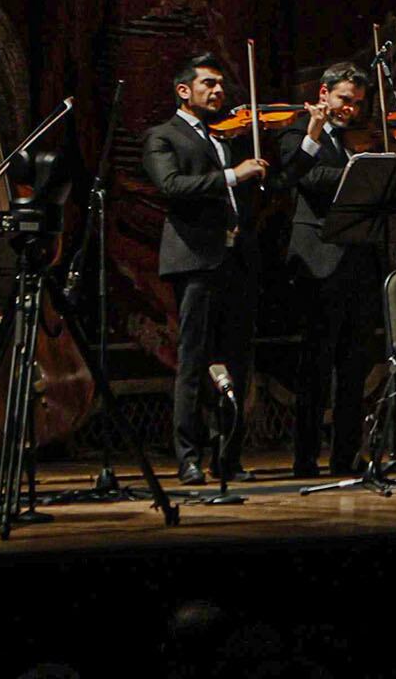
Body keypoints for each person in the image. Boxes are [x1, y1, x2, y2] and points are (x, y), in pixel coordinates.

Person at [274, 60, 396, 477]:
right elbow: (304, 177)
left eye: (357, 103)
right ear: (323, 95)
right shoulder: (298, 130)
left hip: (361, 260)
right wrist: (355, 165)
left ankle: (347, 454)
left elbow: (391, 183)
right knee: (316, 364)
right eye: (344, 100)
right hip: (319, 260)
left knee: (355, 366)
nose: (351, 109)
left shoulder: (363, 140)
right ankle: (304, 459)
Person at [140, 52, 269, 484]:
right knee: (193, 361)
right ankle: (189, 456)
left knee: (236, 360)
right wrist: (233, 176)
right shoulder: (163, 136)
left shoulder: (226, 138)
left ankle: (227, 457)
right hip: (196, 259)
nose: (218, 91)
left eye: (220, 84)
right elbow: (172, 186)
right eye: (208, 84)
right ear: (184, 90)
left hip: (236, 259)